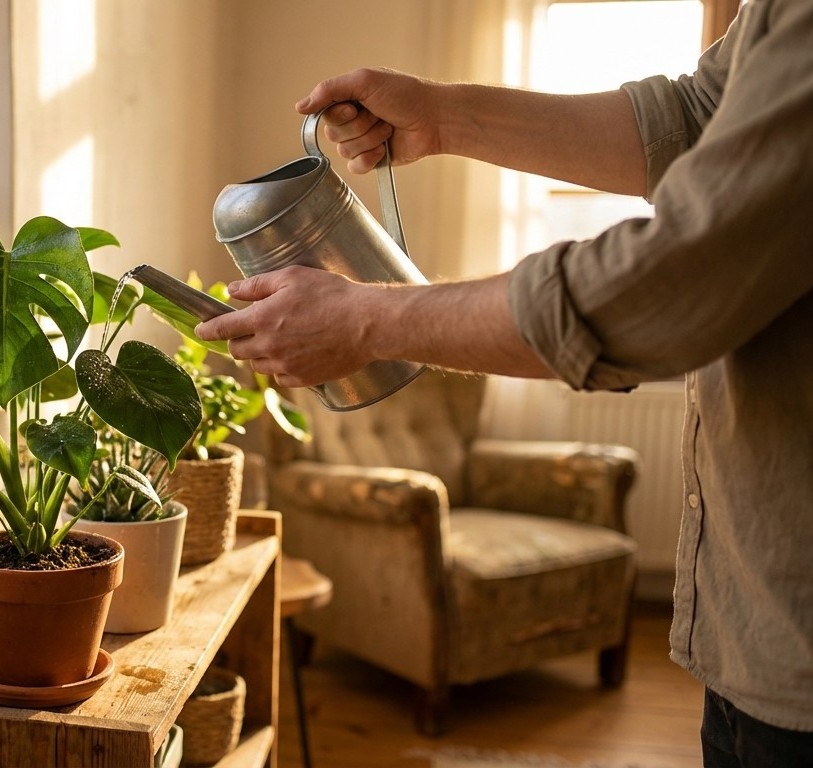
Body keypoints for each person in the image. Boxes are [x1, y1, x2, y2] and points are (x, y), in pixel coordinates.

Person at [194, 2, 813, 765]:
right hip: (755, 632)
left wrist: (367, 321)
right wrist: (443, 115)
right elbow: (691, 117)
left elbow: (675, 280)